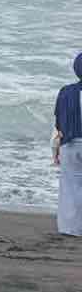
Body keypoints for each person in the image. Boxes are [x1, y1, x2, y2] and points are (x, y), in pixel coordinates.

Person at [52, 52, 82, 236]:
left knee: (70, 186)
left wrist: (55, 150)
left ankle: (70, 228)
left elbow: (59, 124)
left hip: (70, 144)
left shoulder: (66, 92)